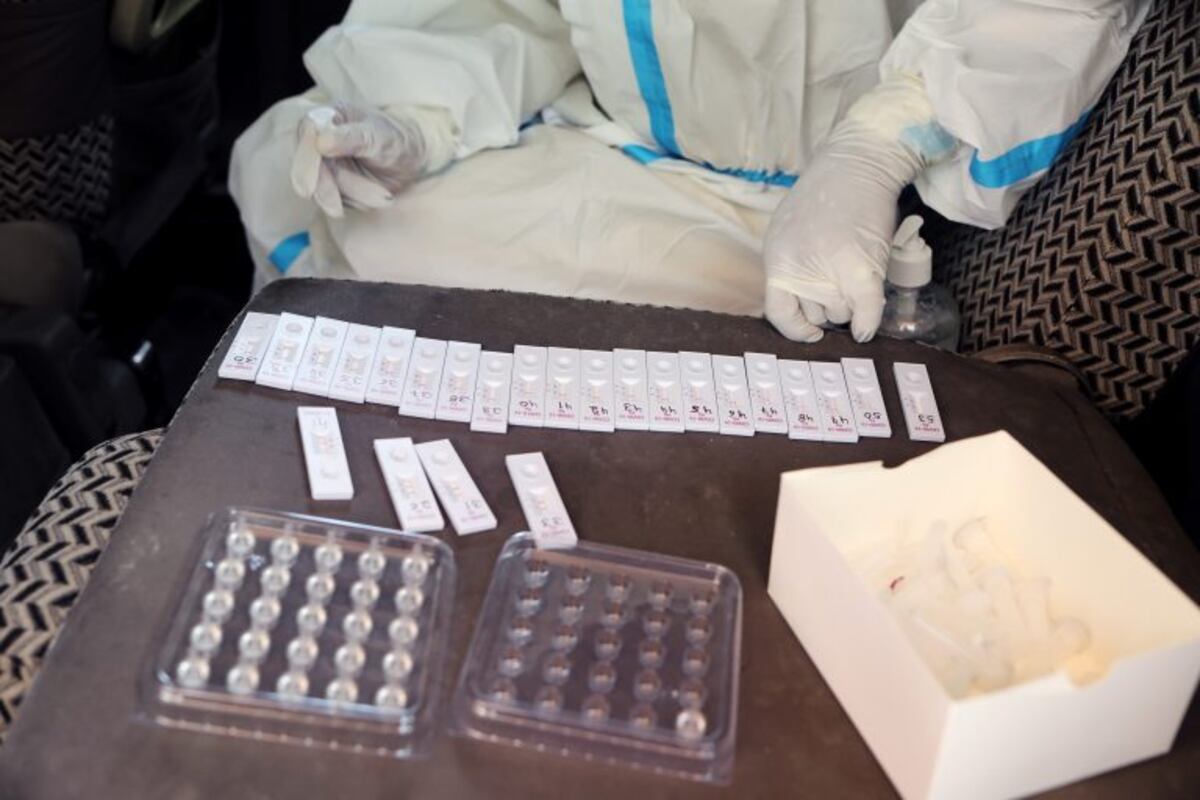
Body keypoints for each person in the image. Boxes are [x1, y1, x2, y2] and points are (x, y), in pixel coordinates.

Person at [230, 0, 1148, 342]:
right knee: (287, 158)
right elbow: (525, 13)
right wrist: (416, 119)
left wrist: (877, 146)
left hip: (788, 200)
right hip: (591, 137)